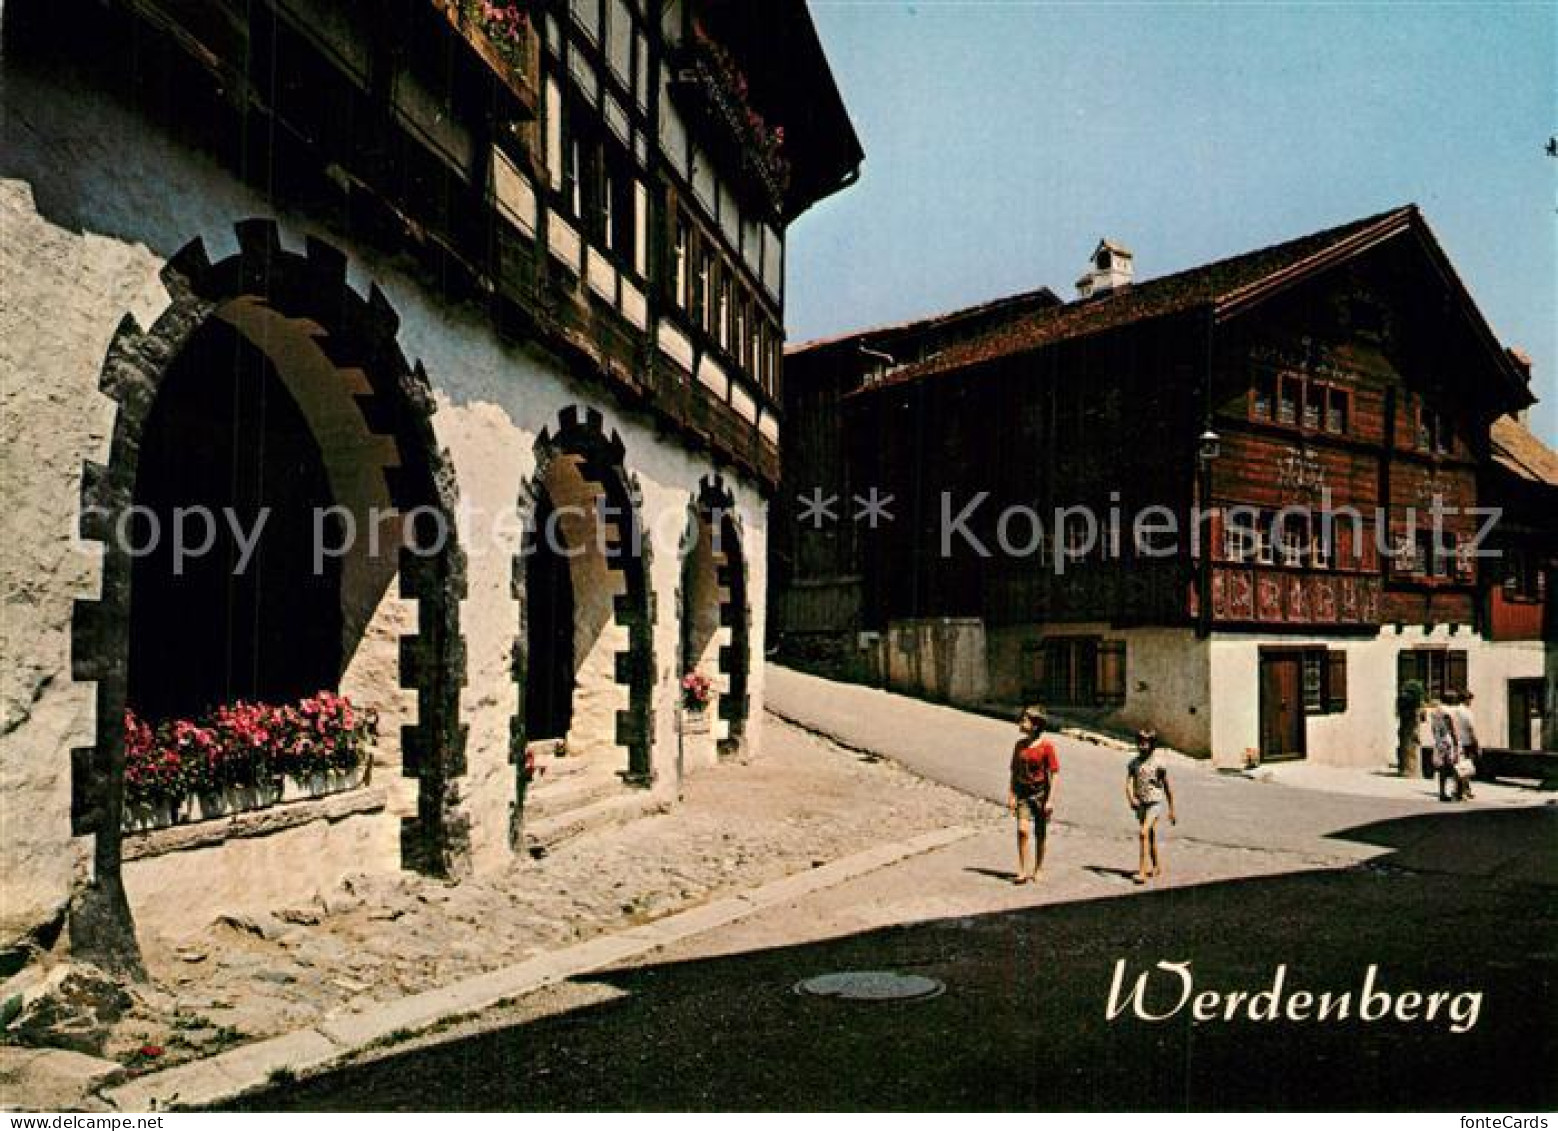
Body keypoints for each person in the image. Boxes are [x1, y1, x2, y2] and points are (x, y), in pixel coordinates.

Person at [1007, 706, 1059, 884]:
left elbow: (1054, 773)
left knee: (1040, 832)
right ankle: (1022, 869)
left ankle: (1039, 868)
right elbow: (1014, 771)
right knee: (1022, 831)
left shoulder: (1047, 747)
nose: (1021, 722)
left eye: (1025, 720)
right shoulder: (1019, 745)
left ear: (1035, 725)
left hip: (1040, 795)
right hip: (1023, 793)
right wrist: (1011, 794)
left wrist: (1050, 800)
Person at [1125, 729, 1176, 884]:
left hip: (1154, 802)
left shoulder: (1159, 764)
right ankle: (1156, 866)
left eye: (1146, 743)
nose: (1142, 745)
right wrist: (1131, 798)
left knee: (1143, 833)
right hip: (1141, 803)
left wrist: (1172, 809)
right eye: (1140, 742)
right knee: (1150, 835)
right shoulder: (1134, 763)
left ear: (1152, 745)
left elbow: (1167, 787)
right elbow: (1128, 783)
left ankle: (1142, 871)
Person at [1429, 692, 1464, 802]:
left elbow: (1433, 728)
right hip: (1449, 741)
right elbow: (1452, 728)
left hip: (1439, 741)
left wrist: (1437, 739)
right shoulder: (1449, 711)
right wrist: (1457, 742)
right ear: (1451, 700)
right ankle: (1457, 792)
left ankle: (1442, 792)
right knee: (1455, 766)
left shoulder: (1435, 711)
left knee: (1442, 769)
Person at [1448, 689, 1480, 800]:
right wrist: (1477, 743)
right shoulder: (1467, 712)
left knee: (1459, 766)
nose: (1471, 702)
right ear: (1466, 700)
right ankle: (1462, 791)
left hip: (1456, 742)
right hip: (1467, 742)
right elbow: (1471, 729)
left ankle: (1463, 789)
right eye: (1470, 700)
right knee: (1466, 768)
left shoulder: (1454, 710)